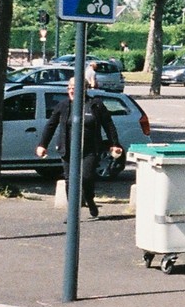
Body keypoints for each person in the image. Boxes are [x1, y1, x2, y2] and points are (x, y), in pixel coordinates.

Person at [36, 76, 124, 219]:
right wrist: (42, 145)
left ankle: (89, 199)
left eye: (74, 88)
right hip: (68, 149)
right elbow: (51, 125)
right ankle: (72, 213)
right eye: (69, 88)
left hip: (90, 149)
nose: (71, 90)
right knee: (70, 180)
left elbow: (108, 125)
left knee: (86, 177)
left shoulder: (95, 105)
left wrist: (115, 144)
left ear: (84, 89)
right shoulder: (63, 105)